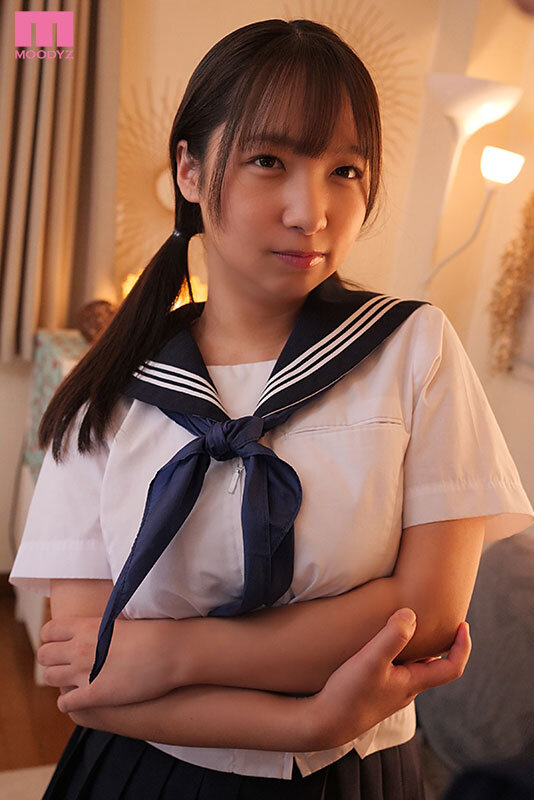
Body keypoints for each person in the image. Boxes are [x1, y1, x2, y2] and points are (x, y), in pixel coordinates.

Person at [9, 17, 534, 800]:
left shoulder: (412, 349)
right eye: (268, 161)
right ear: (190, 170)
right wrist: (309, 721)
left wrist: (174, 654)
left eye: (345, 170)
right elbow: (87, 678)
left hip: (356, 779)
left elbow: (426, 613)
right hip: (144, 776)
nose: (310, 212)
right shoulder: (108, 387)